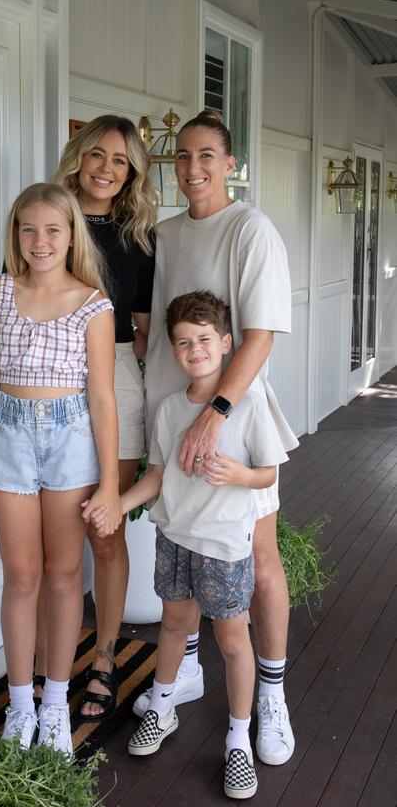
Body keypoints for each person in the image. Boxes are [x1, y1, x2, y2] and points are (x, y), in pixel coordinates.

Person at [137, 110, 299, 766]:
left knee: (258, 565)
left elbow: (258, 334)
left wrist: (217, 413)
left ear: (230, 164)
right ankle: (188, 675)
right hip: (177, 416)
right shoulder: (167, 233)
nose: (193, 167)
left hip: (237, 418)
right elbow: (157, 330)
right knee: (183, 551)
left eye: (207, 155)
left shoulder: (251, 231)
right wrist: (165, 417)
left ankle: (271, 694)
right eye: (183, 157)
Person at [90, 290, 289, 800]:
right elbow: (157, 475)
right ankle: (162, 706)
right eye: (183, 342)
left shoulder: (245, 406)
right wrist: (118, 502)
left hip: (224, 546)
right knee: (175, 624)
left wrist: (242, 474)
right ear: (174, 350)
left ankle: (239, 738)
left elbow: (269, 470)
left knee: (231, 641)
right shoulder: (170, 410)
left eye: (204, 339)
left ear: (226, 343)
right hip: (174, 537)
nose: (194, 349)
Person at [0, 182, 121, 756]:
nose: (40, 241)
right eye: (28, 229)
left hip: (70, 438)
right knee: (21, 576)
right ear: (16, 235)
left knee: (62, 575)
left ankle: (56, 702)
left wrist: (109, 480)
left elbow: (102, 397)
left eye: (53, 230)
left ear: (71, 235)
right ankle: (20, 703)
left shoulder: (93, 304)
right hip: (9, 434)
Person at [44, 115, 158, 720]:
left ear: (132, 171)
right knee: (57, 529)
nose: (107, 168)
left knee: (105, 529)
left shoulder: (141, 236)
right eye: (98, 155)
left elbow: (142, 330)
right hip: (52, 376)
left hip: (117, 373)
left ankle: (107, 657)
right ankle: (50, 659)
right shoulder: (49, 219)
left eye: (120, 160)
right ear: (78, 157)